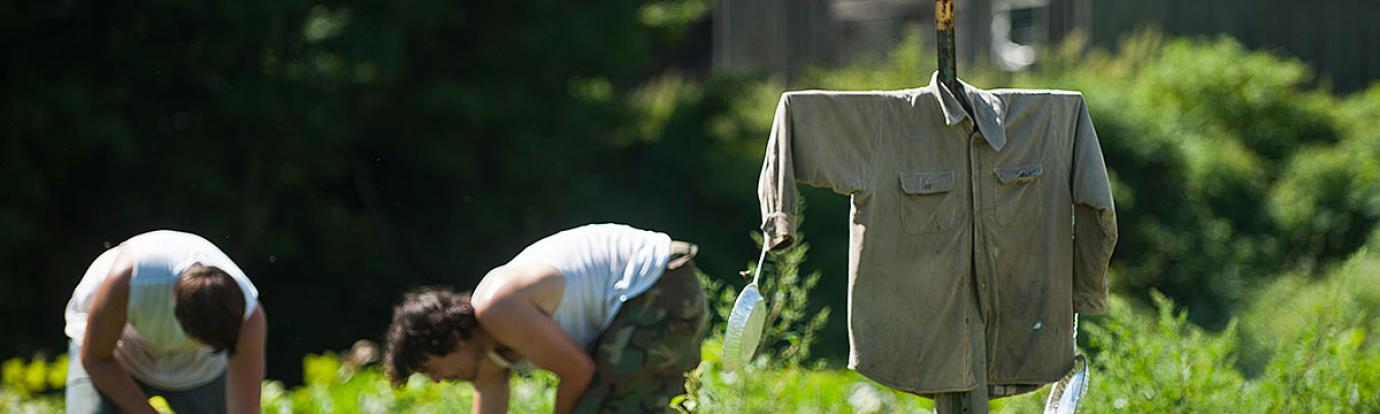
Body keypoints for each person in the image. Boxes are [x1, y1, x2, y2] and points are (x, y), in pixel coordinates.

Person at [384, 223, 708, 414]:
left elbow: (578, 372)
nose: (438, 380)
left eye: (430, 369)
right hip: (653, 293)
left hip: (659, 286)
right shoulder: (488, 357)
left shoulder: (495, 306)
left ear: (452, 339)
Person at [63, 230, 266, 414]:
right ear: (178, 319)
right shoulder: (128, 280)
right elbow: (96, 359)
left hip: (199, 371)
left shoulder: (247, 318)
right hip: (118, 350)